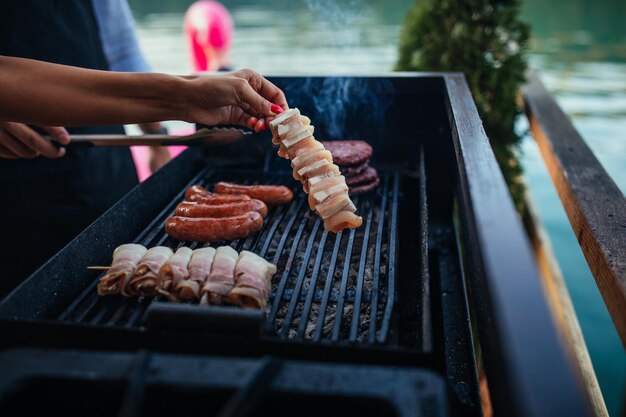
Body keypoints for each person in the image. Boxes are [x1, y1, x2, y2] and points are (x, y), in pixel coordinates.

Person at [0, 55, 285, 297]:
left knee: (100, 249)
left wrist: (177, 106)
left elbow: (120, 46)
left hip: (102, 156)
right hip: (15, 198)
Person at [184, 0, 234, 72]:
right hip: (199, 15)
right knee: (201, 69)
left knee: (217, 64)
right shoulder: (205, 27)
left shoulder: (219, 33)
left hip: (217, 14)